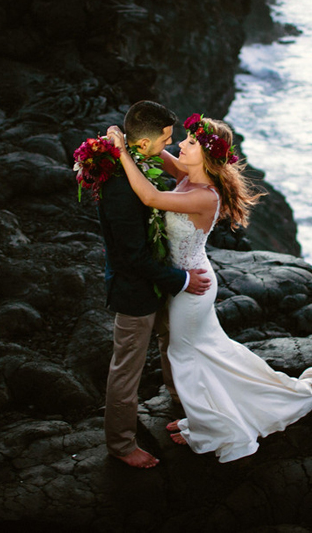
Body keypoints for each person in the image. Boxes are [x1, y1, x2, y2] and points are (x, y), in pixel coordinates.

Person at [106, 114, 312, 463]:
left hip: (193, 288)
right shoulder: (190, 175)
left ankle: (213, 425)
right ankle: (205, 414)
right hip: (184, 281)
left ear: (206, 157)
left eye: (190, 143)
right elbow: (162, 154)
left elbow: (148, 197)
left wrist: (121, 154)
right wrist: (133, 136)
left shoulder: (205, 196)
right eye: (183, 139)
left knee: (185, 353)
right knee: (208, 351)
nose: (180, 145)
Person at [98, 101, 211, 469]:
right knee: (126, 369)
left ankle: (181, 403)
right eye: (166, 138)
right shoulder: (118, 186)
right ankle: (120, 444)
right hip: (136, 289)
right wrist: (181, 279)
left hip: (162, 282)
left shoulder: (142, 161)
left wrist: (122, 140)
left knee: (171, 343)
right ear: (144, 145)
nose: (172, 142)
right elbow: (132, 258)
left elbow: (155, 179)